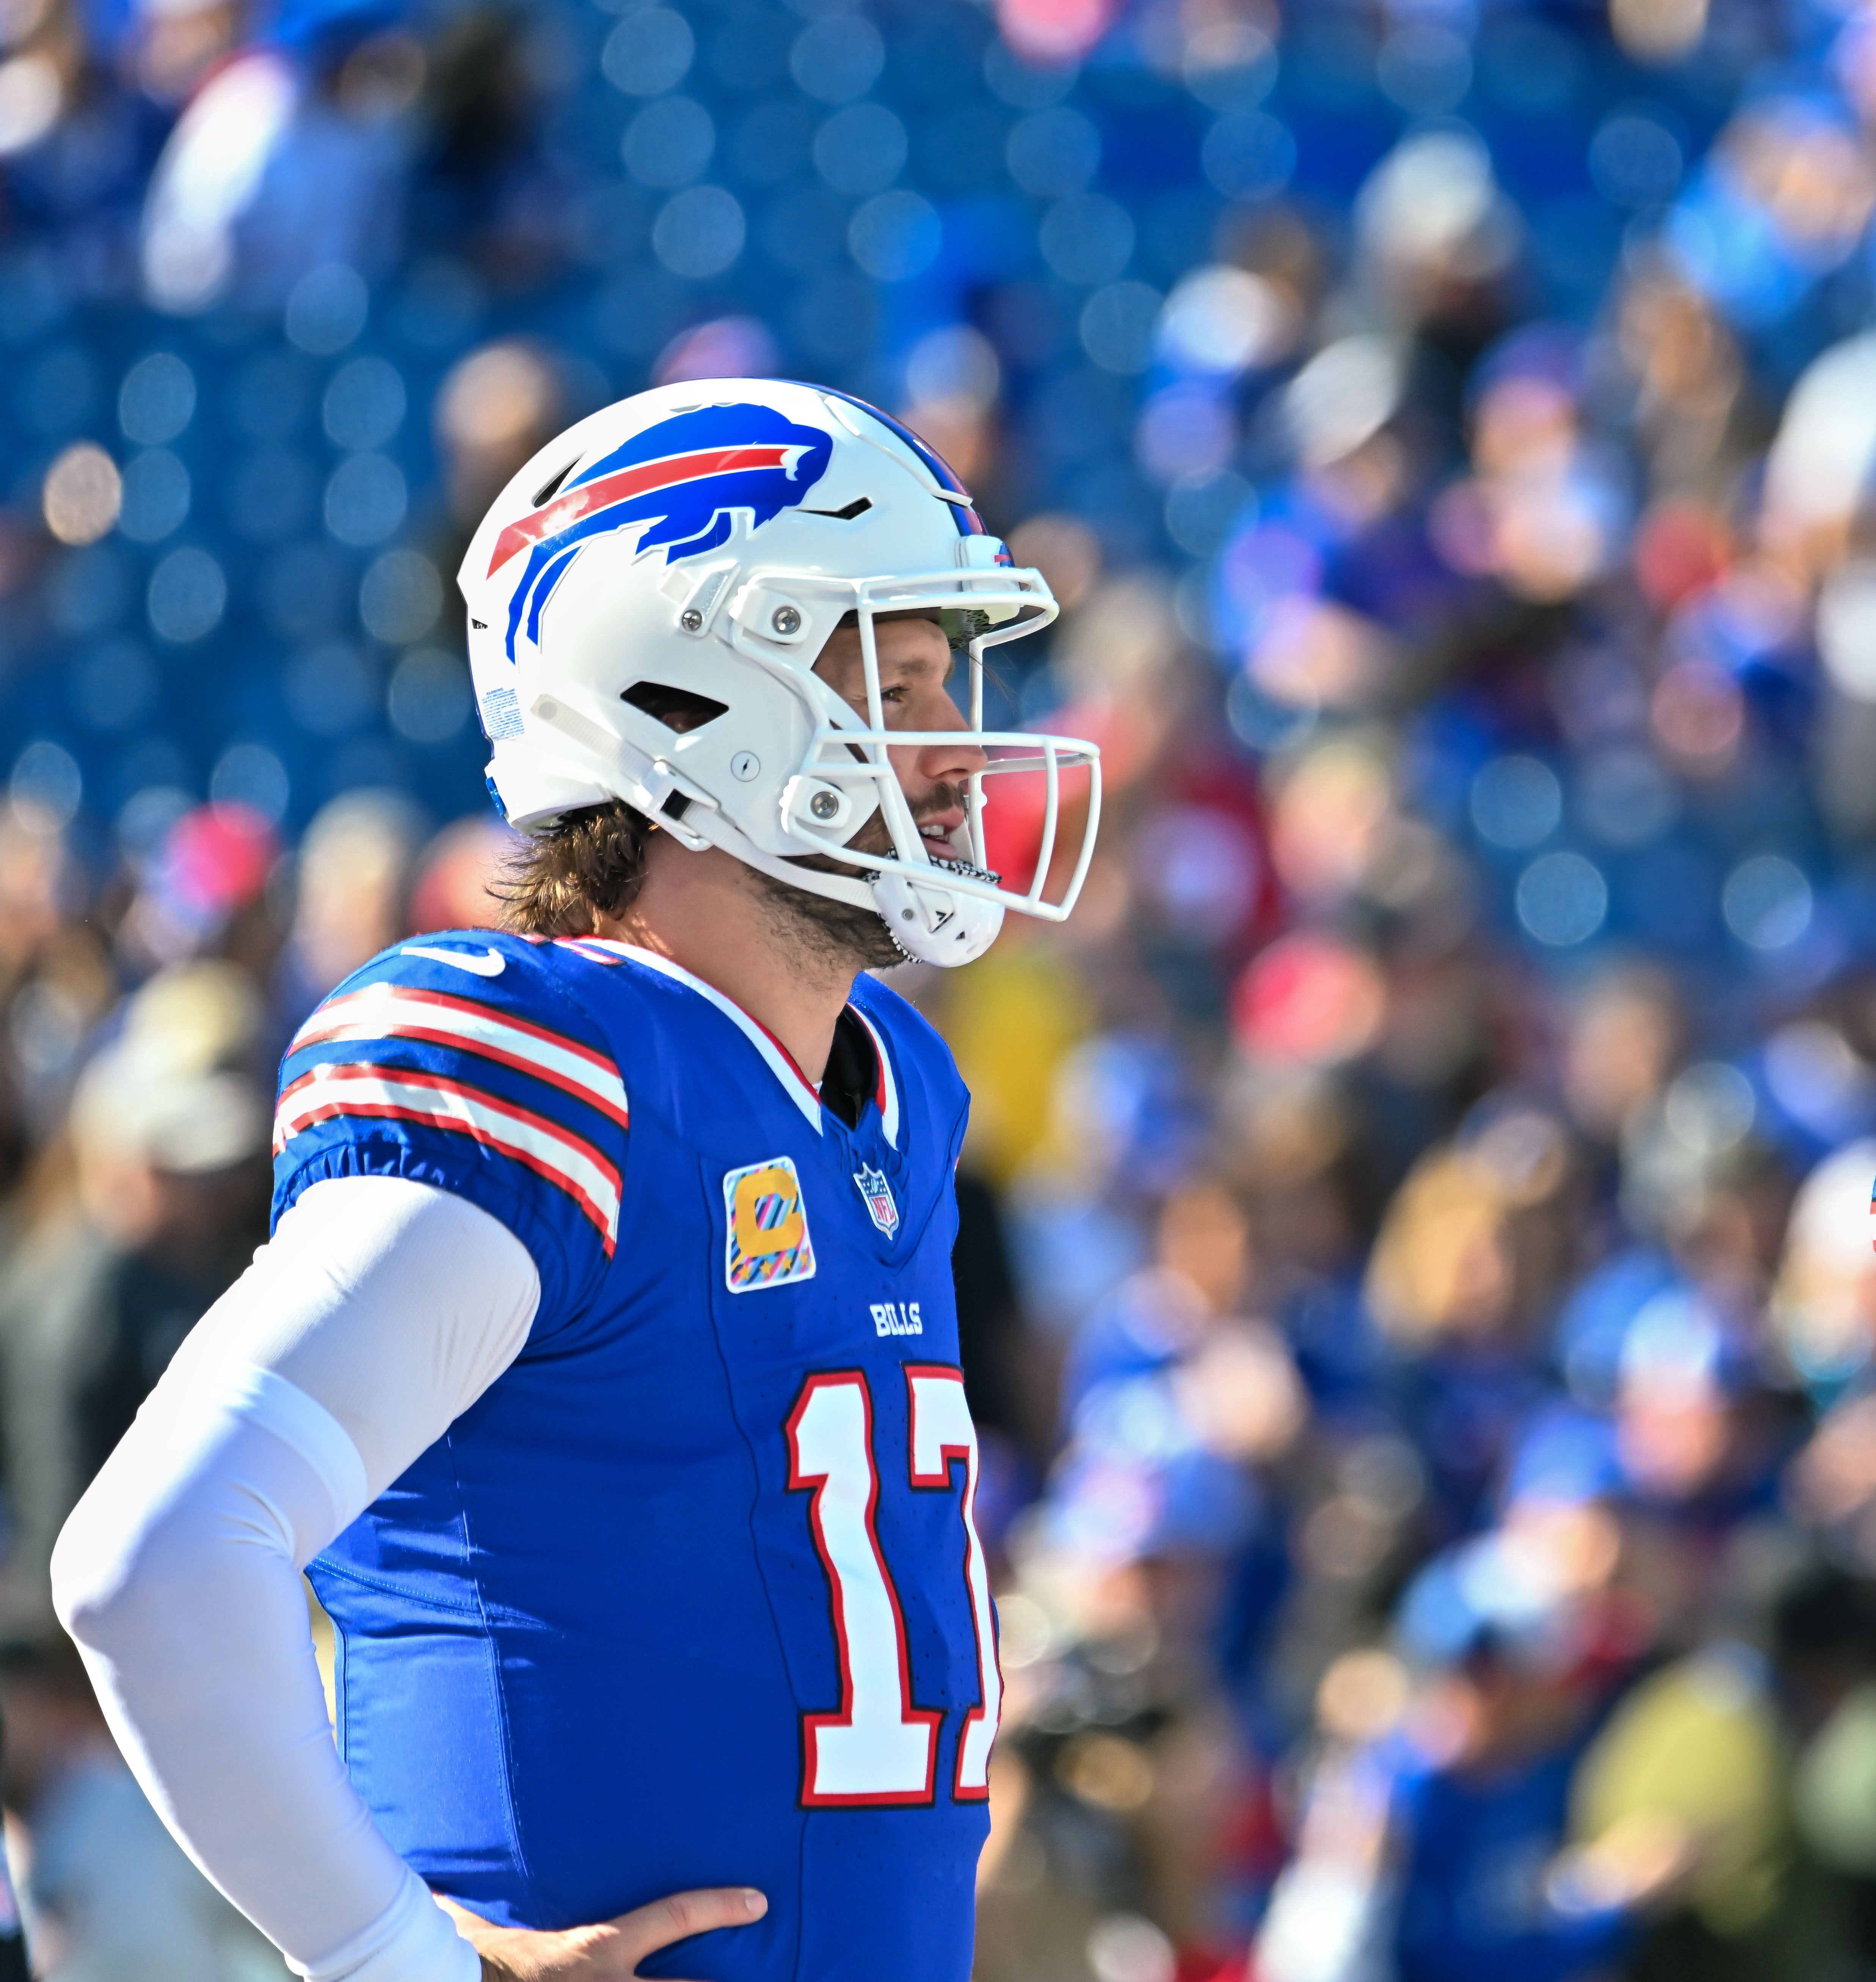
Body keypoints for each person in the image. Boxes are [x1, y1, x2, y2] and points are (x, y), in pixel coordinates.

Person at [49, 377, 1104, 1982]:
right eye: (893, 678)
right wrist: (402, 1960)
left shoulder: (892, 1091)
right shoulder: (555, 1065)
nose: (953, 746)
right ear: (692, 699)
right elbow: (158, 1554)